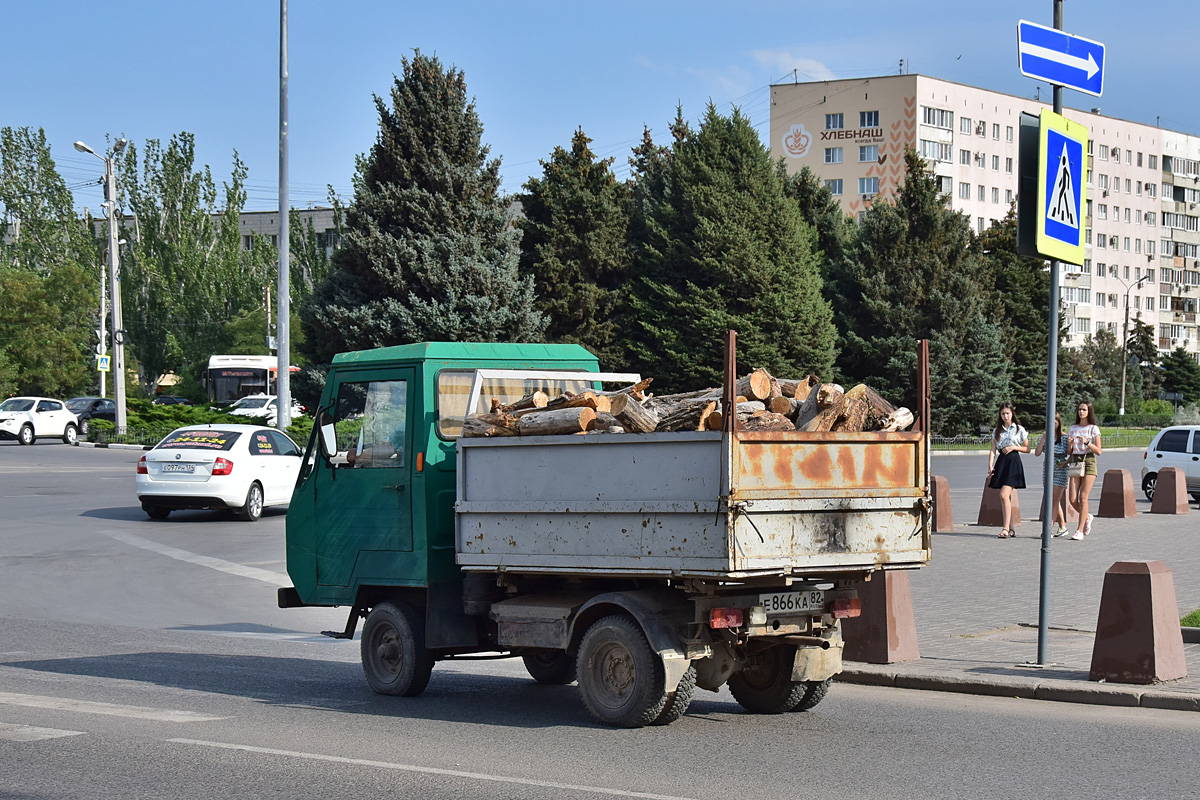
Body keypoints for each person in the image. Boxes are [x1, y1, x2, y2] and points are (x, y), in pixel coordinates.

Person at [987, 402, 1030, 538]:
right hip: (1002, 462)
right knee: (1006, 497)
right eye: (1003, 414)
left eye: (1008, 413)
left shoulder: (1019, 429)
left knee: (1004, 495)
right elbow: (993, 449)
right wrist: (990, 464)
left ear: (1012, 414)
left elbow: (1028, 449)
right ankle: (1010, 529)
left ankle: (1005, 528)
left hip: (1013, 462)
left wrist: (1014, 447)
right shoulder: (997, 431)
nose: (1005, 416)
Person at [1067, 400, 1102, 541]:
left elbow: (1099, 450)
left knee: (1083, 497)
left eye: (1084, 410)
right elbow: (1069, 452)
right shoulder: (1073, 428)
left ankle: (1079, 530)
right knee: (1072, 498)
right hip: (1076, 461)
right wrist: (1070, 445)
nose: (1081, 412)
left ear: (1089, 412)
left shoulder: (1093, 429)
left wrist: (1087, 442)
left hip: (1089, 461)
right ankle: (1087, 517)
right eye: (1080, 409)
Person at [1034, 412, 1070, 536]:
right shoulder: (1046, 436)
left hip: (1061, 469)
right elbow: (1037, 453)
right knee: (1054, 500)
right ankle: (1063, 527)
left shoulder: (1064, 437)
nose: (1053, 423)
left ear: (1059, 422)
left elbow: (1070, 452)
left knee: (1054, 500)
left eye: (1056, 420)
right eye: (1051, 420)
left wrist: (1072, 443)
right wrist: (1044, 438)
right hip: (1048, 469)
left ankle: (1047, 529)